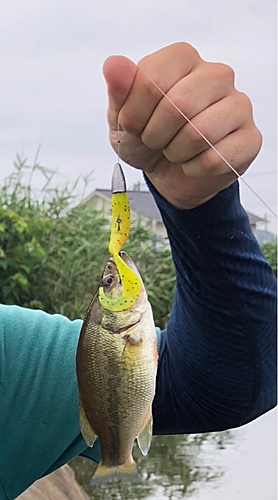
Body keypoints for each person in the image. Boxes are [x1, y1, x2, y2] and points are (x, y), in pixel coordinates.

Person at [0, 43, 276, 499]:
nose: (113, 278)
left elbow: (227, 384)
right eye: (109, 281)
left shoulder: (11, 360)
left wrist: (201, 207)